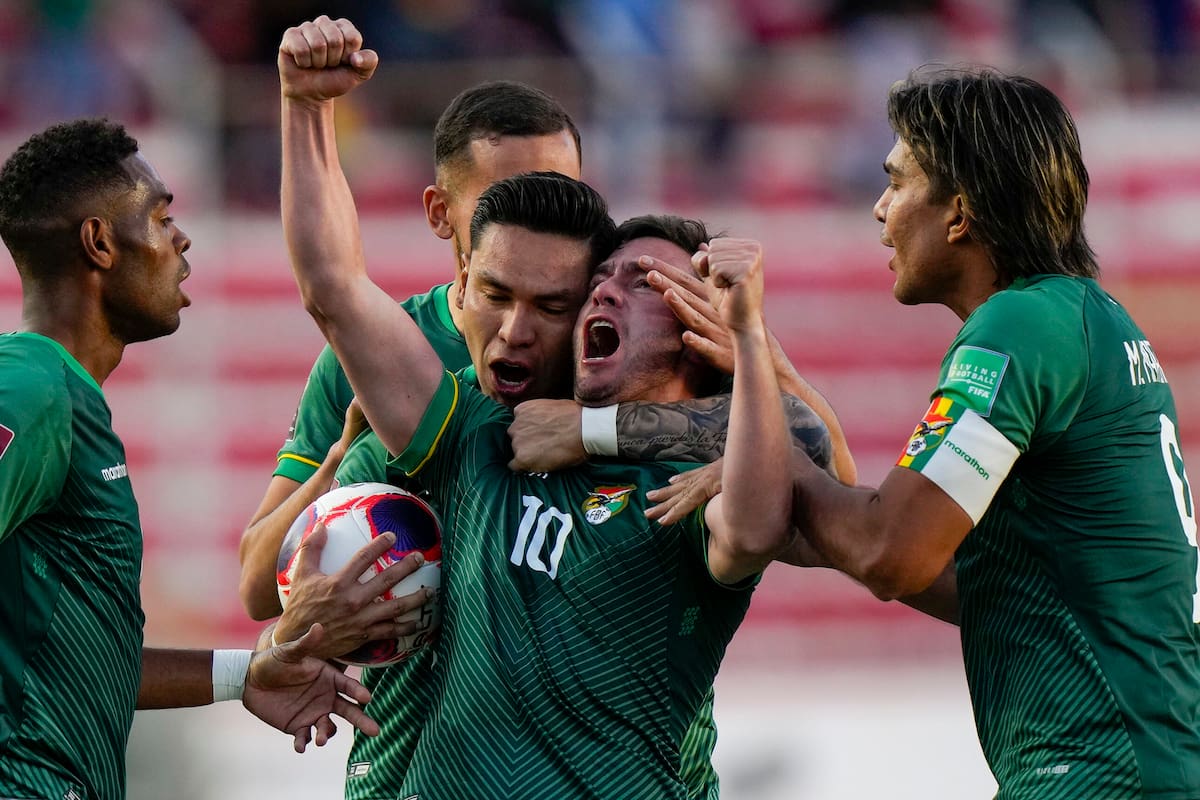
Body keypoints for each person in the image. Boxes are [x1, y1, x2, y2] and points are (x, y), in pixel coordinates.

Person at [282, 59, 795, 800]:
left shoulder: (697, 480)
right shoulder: (474, 429)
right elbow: (331, 285)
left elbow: (803, 468)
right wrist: (305, 106)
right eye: (495, 294)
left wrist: (607, 425)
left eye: (555, 304)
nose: (517, 331)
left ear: (696, 330)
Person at [772, 67, 1200, 797]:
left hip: (1096, 772)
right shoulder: (1083, 320)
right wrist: (817, 513)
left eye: (898, 182)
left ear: (960, 213)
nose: (879, 209)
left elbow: (893, 553)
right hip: (1144, 759)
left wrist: (755, 466)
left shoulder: (1018, 325)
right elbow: (986, 587)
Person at [0, 118, 386, 800]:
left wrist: (248, 673)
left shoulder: (64, 398)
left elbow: (71, 663)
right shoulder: (31, 389)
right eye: (160, 217)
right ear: (99, 243)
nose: (180, 240)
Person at [236, 71, 582, 622]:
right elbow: (259, 586)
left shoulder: (616, 341)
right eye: (506, 201)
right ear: (439, 213)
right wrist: (344, 467)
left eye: (560, 194)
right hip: (422, 706)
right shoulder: (373, 361)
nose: (536, 218)